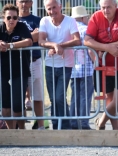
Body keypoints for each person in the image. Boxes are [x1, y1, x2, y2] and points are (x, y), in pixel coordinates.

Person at [84, 0, 118, 130]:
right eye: (103, 7)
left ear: (115, 6)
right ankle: (116, 130)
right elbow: (87, 40)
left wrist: (108, 48)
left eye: (109, 7)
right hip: (104, 65)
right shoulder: (96, 17)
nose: (106, 10)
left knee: (117, 101)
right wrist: (107, 48)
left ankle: (100, 121)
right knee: (109, 99)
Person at [39, 0, 81, 130]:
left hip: (66, 65)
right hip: (50, 65)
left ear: (60, 7)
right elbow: (41, 41)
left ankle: (64, 126)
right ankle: (57, 125)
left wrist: (59, 46)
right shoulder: (44, 21)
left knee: (59, 97)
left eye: (54, 8)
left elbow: (77, 40)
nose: (52, 11)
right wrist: (54, 45)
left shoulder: (70, 21)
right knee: (53, 99)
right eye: (49, 8)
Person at [0, 4, 33, 129]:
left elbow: (29, 41)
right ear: (4, 18)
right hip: (3, 71)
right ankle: (11, 132)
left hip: (20, 70)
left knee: (18, 104)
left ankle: (22, 131)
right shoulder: (0, 28)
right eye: (9, 18)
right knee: (6, 105)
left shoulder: (22, 26)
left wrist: (10, 45)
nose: (12, 20)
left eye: (15, 17)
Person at [16, 0, 45, 130]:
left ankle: (41, 125)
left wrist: (21, 40)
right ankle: (21, 127)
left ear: (31, 3)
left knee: (37, 96)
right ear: (17, 3)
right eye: (22, 1)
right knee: (18, 96)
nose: (24, 5)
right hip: (16, 62)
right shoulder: (12, 19)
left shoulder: (38, 20)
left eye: (27, 1)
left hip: (34, 60)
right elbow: (11, 39)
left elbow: (41, 37)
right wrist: (30, 37)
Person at [70, 6, 94, 130]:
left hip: (73, 69)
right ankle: (84, 123)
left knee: (75, 96)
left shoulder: (70, 30)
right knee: (86, 97)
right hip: (87, 68)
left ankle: (73, 122)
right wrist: (97, 61)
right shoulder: (87, 30)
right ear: (84, 17)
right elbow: (90, 50)